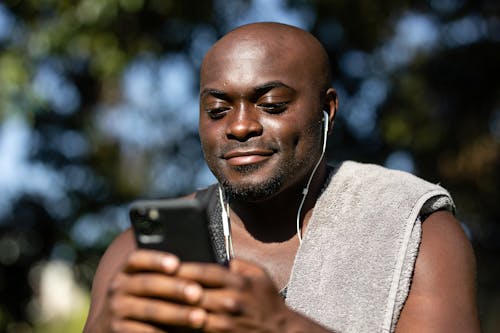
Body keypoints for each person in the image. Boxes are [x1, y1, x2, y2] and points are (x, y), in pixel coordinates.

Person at [83, 22, 480, 332]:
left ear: (328, 110)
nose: (239, 127)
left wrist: (281, 326)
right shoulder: (139, 252)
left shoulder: (413, 230)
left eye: (271, 105)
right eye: (218, 111)